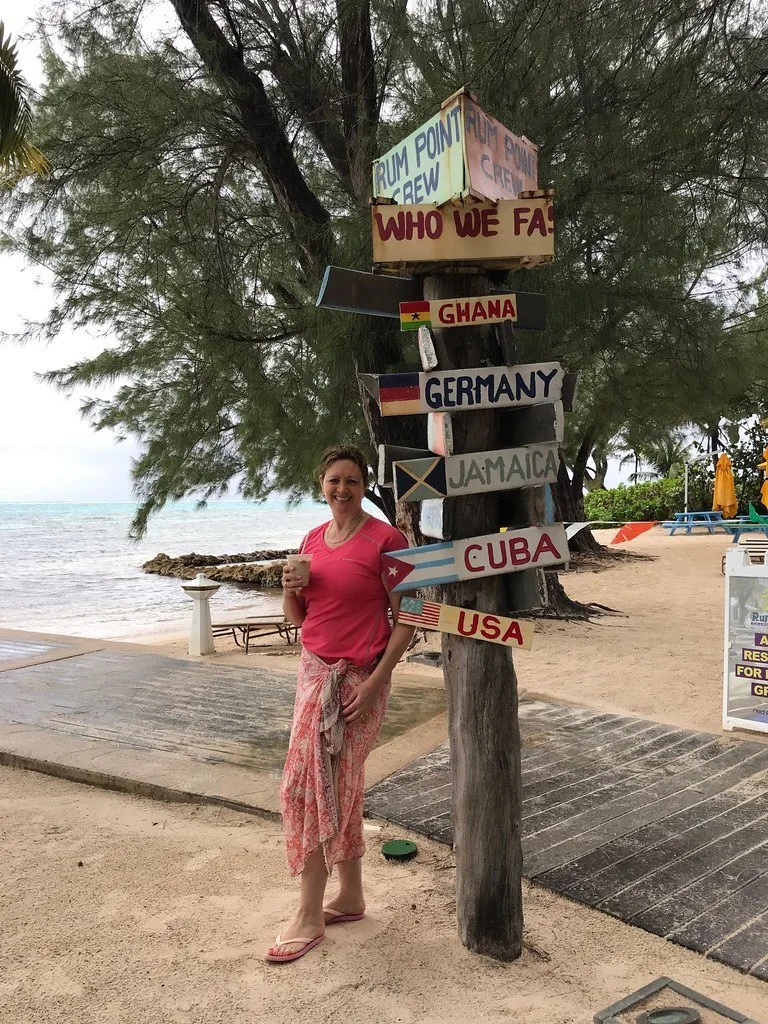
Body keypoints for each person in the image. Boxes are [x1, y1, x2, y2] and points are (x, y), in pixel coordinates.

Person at [265, 445, 415, 963]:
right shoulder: (311, 541)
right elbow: (301, 619)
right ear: (321, 484)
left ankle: (308, 914)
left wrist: (373, 684)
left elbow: (411, 619)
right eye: (334, 480)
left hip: (359, 683)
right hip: (313, 676)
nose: (342, 489)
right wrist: (287, 589)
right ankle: (349, 895)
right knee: (338, 787)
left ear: (364, 484)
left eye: (352, 480)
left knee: (312, 787)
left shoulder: (386, 541)